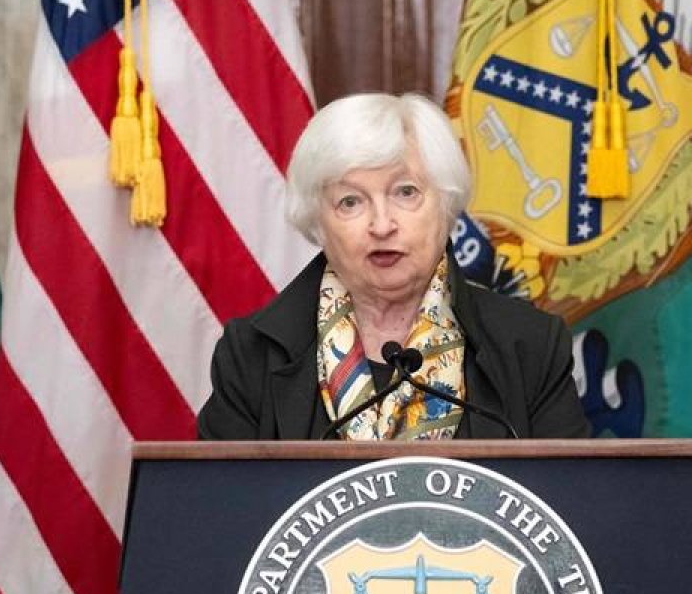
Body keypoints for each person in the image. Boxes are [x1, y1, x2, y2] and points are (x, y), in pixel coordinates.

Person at [197, 92, 590, 440]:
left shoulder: (531, 347)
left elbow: (567, 510)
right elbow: (223, 515)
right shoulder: (250, 356)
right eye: (350, 202)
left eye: (406, 193)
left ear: (446, 204)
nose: (382, 225)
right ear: (318, 220)